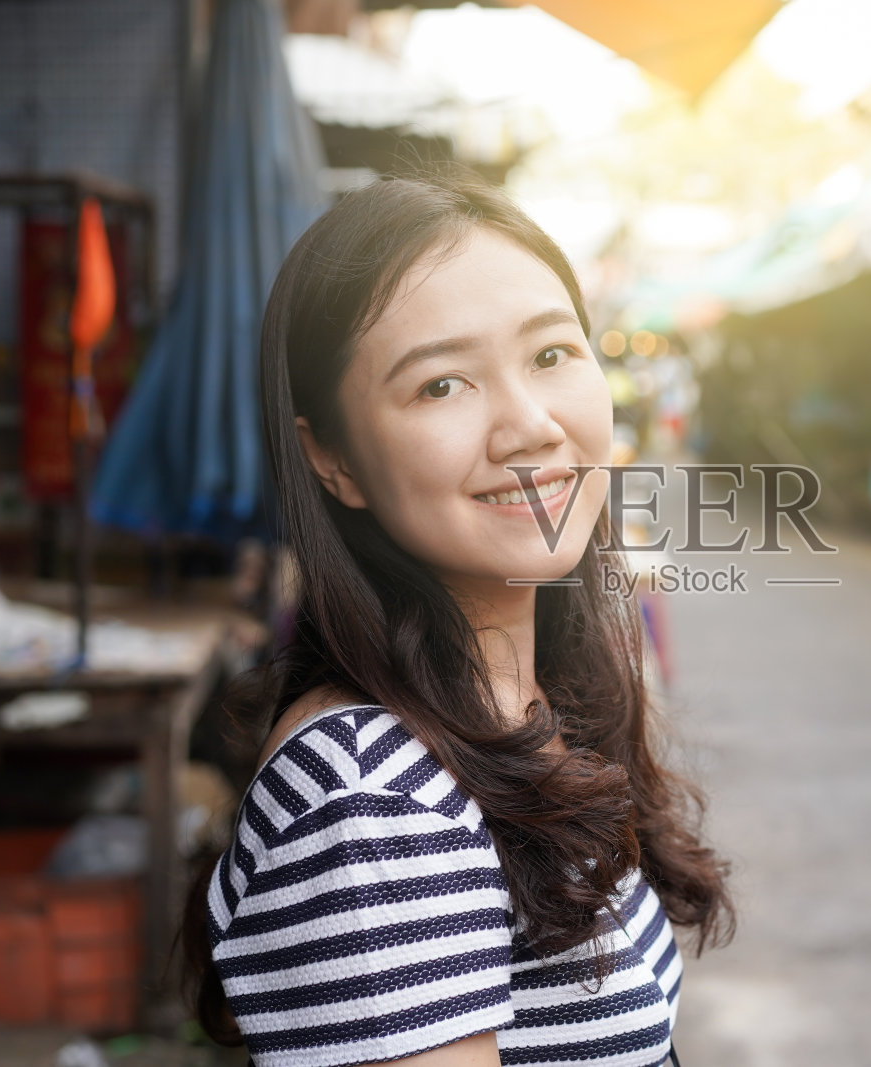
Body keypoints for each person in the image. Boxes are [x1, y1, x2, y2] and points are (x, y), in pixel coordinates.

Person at [180, 172, 732, 1067]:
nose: (529, 426)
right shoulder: (370, 796)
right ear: (331, 458)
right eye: (442, 384)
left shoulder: (528, 703)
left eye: (552, 355)